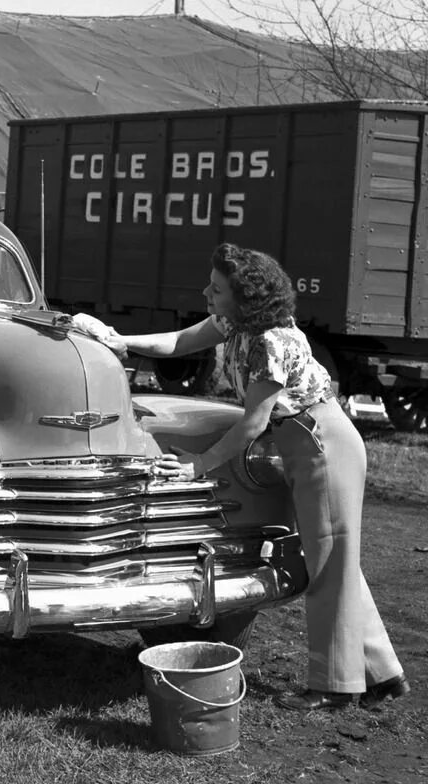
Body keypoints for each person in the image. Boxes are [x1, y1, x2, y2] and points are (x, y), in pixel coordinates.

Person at [93, 243, 410, 712]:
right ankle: (382, 674)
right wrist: (122, 341)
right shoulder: (233, 323)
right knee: (336, 560)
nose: (206, 292)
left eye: (216, 289)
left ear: (245, 300)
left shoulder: (272, 342)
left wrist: (199, 465)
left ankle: (335, 686)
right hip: (305, 443)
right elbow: (180, 342)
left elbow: (252, 423)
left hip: (322, 445)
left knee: (326, 568)